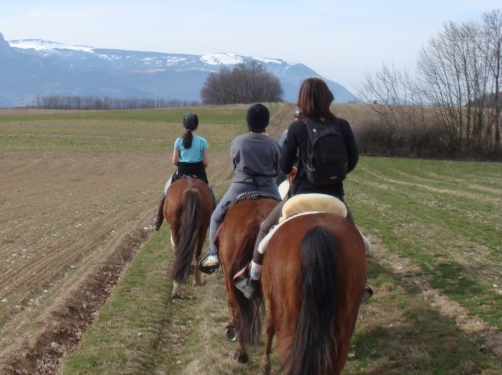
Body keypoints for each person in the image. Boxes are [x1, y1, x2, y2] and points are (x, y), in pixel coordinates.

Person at [236, 77, 368, 299]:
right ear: (328, 98)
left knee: (265, 228)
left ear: (302, 100)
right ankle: (362, 283)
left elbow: (285, 165)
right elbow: (353, 161)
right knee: (356, 241)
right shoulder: (342, 126)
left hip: (301, 196)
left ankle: (253, 278)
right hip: (334, 198)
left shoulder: (297, 127)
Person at [198, 103, 281, 272]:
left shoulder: (238, 141)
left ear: (248, 122)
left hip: (242, 185)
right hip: (268, 187)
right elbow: (277, 169)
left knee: (215, 217)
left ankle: (213, 255)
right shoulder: (273, 144)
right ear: (266, 123)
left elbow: (235, 165)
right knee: (287, 216)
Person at [153, 112, 212, 230]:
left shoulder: (178, 141)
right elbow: (205, 163)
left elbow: (175, 161)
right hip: (199, 172)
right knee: (210, 194)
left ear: (184, 125)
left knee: (165, 191)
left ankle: (158, 220)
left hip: (181, 172)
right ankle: (212, 219)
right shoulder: (202, 141)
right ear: (197, 125)